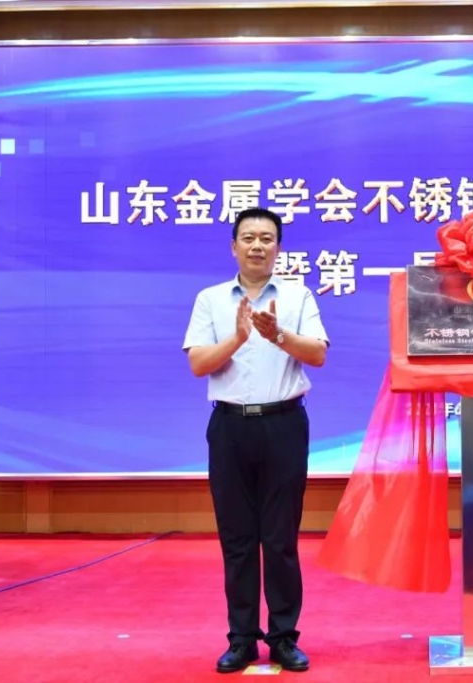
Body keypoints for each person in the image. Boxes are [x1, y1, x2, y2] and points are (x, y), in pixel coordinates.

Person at [183, 207, 329, 674]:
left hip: (283, 425)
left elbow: (318, 354)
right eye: (248, 238)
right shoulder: (210, 299)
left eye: (267, 238)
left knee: (280, 539)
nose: (258, 246)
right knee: (238, 540)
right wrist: (239, 337)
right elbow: (199, 364)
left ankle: (284, 637)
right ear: (234, 247)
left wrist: (277, 334)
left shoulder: (297, 295)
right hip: (230, 428)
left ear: (278, 247)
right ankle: (242, 639)